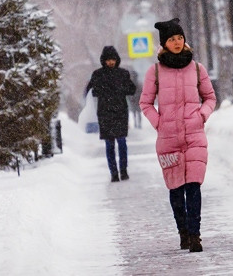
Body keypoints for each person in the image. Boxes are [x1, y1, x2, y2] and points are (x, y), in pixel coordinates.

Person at [139, 18, 216, 253]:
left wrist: (201, 115)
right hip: (168, 138)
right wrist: (160, 123)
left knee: (193, 186)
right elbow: (145, 103)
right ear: (164, 43)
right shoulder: (155, 72)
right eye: (172, 39)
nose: (177, 42)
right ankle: (183, 231)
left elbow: (210, 97)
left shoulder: (197, 68)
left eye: (180, 38)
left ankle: (195, 235)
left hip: (194, 135)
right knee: (176, 189)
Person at [86, 46, 136, 182]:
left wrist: (120, 89)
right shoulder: (98, 75)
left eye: (113, 59)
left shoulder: (123, 74)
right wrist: (105, 90)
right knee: (109, 144)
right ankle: (114, 173)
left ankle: (123, 170)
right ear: (104, 60)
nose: (111, 62)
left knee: (121, 142)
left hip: (120, 112)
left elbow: (132, 89)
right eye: (108, 60)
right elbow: (91, 91)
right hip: (105, 113)